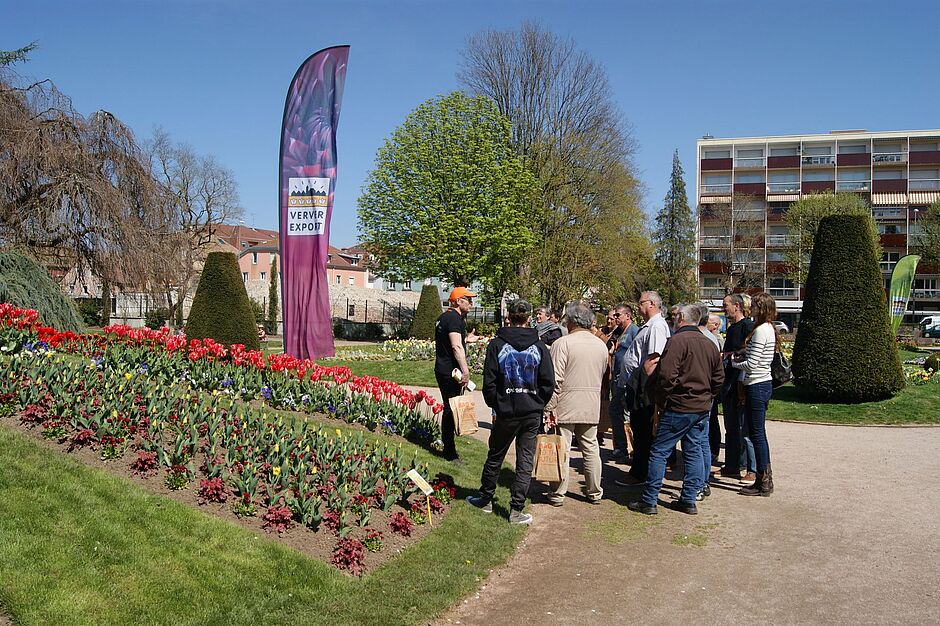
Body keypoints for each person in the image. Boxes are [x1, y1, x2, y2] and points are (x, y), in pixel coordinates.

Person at [627, 304, 723, 515]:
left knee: (660, 451)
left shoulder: (678, 341)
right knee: (693, 451)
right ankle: (689, 498)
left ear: (681, 317)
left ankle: (650, 499)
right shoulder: (709, 343)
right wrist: (707, 396)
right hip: (700, 406)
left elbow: (666, 376)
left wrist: (661, 401)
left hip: (679, 406)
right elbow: (718, 378)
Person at [467, 299, 555, 524]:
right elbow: (548, 382)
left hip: (507, 410)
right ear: (528, 317)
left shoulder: (497, 345)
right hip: (530, 411)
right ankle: (516, 509)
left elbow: (490, 381)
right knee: (525, 460)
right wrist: (537, 402)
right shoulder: (539, 347)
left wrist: (497, 403)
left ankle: (486, 498)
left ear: (509, 316)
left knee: (496, 455)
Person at [542, 301, 609, 506]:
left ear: (572, 321)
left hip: (565, 403)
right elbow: (603, 374)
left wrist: (548, 407)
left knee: (561, 448)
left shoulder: (563, 344)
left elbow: (555, 379)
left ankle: (557, 493)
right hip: (590, 402)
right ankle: (594, 492)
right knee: (591, 447)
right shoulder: (600, 345)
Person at [618, 291, 670, 484]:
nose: (638, 307)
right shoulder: (649, 326)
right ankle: (639, 470)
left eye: (640, 303)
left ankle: (641, 473)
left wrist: (642, 387)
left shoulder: (657, 326)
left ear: (651, 304)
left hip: (643, 387)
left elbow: (654, 358)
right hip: (638, 384)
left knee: (643, 431)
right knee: (638, 429)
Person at [732, 292, 778, 497]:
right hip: (760, 383)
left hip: (757, 384)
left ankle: (763, 480)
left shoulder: (762, 331)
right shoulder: (767, 329)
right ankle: (763, 478)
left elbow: (752, 364)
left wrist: (734, 362)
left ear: (763, 309)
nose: (752, 310)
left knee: (757, 434)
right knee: (757, 433)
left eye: (755, 307)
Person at [434, 286, 480, 462]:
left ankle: (449, 448)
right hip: (451, 371)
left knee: (449, 407)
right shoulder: (454, 318)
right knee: (450, 409)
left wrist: (466, 339)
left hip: (442, 368)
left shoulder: (443, 317)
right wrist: (466, 371)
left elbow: (450, 341)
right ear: (458, 301)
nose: (471, 303)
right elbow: (455, 346)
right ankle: (449, 452)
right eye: (468, 299)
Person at [719, 294, 755, 481]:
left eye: (726, 305)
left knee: (743, 428)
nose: (724, 308)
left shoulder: (748, 326)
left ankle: (750, 467)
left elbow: (749, 351)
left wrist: (729, 355)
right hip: (729, 383)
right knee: (731, 427)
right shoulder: (733, 327)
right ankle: (732, 465)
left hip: (740, 383)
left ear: (737, 306)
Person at [695, 302, 720, 500]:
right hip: (705, 395)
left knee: (698, 440)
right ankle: (702, 482)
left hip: (699, 397)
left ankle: (700, 483)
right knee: (701, 439)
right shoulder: (710, 338)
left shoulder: (703, 339)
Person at [609, 303, 639, 462]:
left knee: (626, 413)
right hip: (617, 378)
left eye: (618, 315)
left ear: (628, 315)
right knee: (615, 411)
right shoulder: (618, 332)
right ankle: (620, 446)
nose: (615, 318)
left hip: (627, 379)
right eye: (615, 316)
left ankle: (631, 448)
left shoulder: (634, 331)